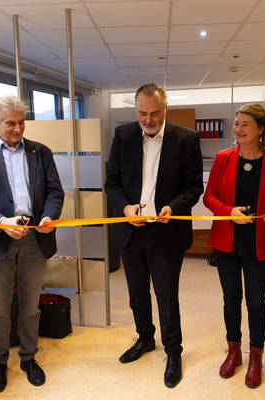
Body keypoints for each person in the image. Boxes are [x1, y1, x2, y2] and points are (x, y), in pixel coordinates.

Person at [104, 83, 203, 388]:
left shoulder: (186, 139)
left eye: (154, 113)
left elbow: (193, 187)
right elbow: (112, 182)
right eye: (142, 113)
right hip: (131, 231)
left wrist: (174, 207)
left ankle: (173, 352)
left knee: (166, 295)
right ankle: (145, 338)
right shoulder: (123, 135)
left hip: (166, 231)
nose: (148, 120)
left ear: (165, 109)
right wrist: (125, 208)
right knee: (137, 294)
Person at [0, 95, 64, 393]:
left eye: (21, 122)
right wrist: (1, 222)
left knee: (30, 305)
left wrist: (49, 215)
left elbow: (55, 192)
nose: (17, 129)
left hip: (35, 236)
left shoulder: (40, 152)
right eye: (10, 123)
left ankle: (28, 357)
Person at [203, 104, 265, 388]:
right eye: (237, 123)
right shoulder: (223, 158)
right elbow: (209, 197)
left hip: (257, 243)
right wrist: (228, 211)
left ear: (261, 129)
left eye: (245, 124)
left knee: (256, 302)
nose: (238, 129)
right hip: (226, 242)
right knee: (231, 299)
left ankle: (255, 356)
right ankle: (233, 351)